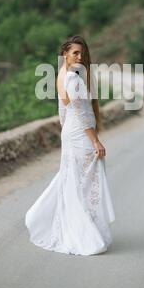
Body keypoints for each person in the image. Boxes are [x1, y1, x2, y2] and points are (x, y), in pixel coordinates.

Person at [25, 35, 115, 255]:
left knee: (74, 181)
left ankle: (71, 226)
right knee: (85, 182)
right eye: (75, 52)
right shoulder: (73, 79)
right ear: (64, 53)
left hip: (70, 133)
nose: (80, 56)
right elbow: (81, 112)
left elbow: (62, 110)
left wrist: (66, 130)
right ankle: (82, 233)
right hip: (80, 135)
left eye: (82, 52)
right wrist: (95, 140)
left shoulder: (62, 75)